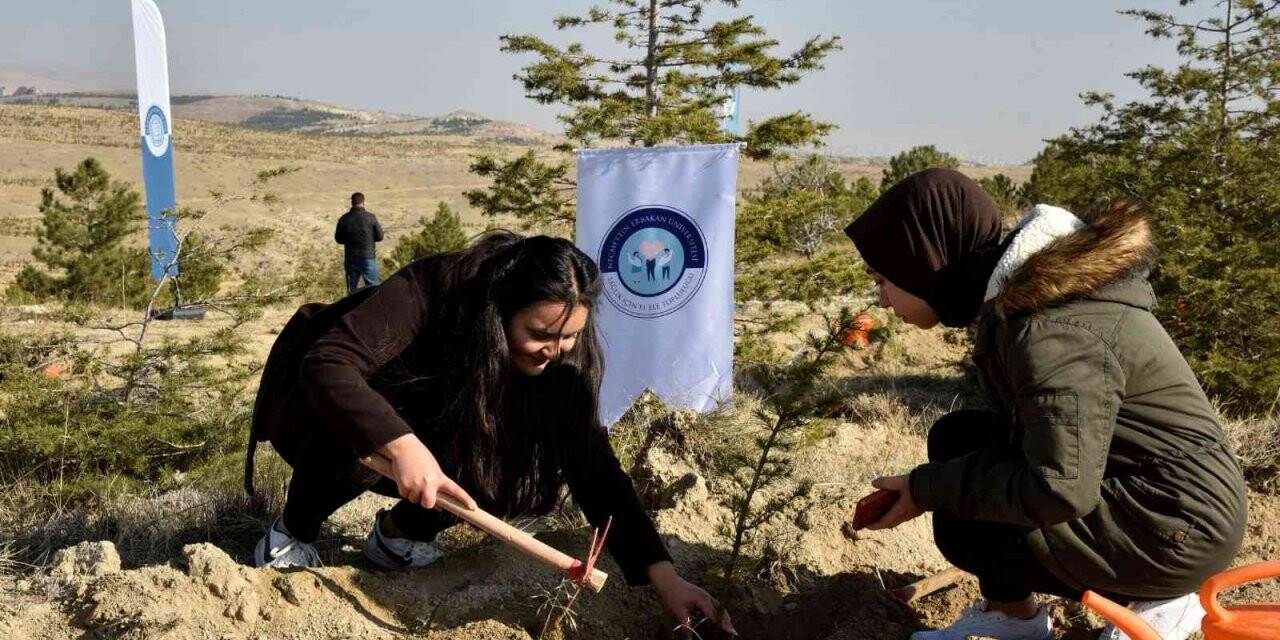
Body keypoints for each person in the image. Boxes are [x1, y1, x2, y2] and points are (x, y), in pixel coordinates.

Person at [245, 232, 736, 635]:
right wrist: (401, 444)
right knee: (361, 424)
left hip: (435, 417)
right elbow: (330, 364)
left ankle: (395, 539)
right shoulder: (433, 287)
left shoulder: (563, 361)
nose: (556, 349)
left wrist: (663, 576)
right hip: (317, 400)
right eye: (541, 335)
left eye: (569, 337)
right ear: (499, 312)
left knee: (512, 469)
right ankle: (293, 531)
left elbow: (594, 468)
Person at [843, 169, 1247, 640]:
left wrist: (926, 488)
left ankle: (1162, 599)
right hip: (1163, 502)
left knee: (968, 505)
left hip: (1177, 527)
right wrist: (937, 484)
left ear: (925, 263)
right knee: (960, 440)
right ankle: (1011, 616)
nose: (883, 301)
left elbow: (1058, 487)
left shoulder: (1051, 328)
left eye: (883, 279)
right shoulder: (1031, 302)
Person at [334, 192, 384, 294]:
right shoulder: (371, 217)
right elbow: (380, 237)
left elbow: (338, 239)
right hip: (368, 257)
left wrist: (349, 240)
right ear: (363, 202)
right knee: (374, 291)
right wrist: (369, 239)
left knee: (352, 293)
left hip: (351, 259)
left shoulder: (344, 219)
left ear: (351, 202)